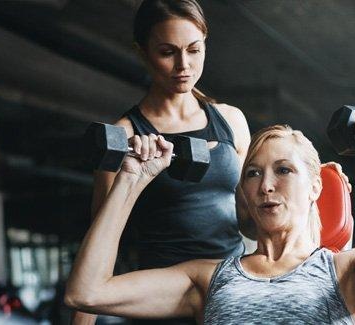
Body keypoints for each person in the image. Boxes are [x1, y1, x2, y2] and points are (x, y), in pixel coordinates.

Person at [65, 98, 355, 324]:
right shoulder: (207, 279)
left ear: (315, 186)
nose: (265, 185)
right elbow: (87, 292)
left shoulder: (344, 273)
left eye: (284, 170)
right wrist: (133, 176)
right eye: (253, 173)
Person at [74, 1, 250, 324]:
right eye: (168, 52)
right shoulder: (126, 136)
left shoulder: (231, 121)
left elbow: (256, 214)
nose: (184, 65)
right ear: (142, 52)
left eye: (194, 50)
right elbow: (101, 246)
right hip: (166, 301)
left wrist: (314, 182)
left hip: (231, 295)